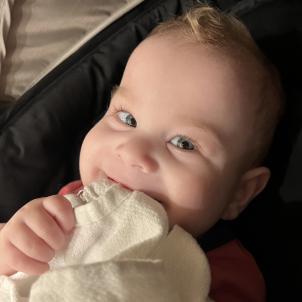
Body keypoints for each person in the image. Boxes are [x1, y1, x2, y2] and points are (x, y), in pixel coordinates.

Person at [0, 5, 283, 301]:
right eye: (127, 119)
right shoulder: (69, 205)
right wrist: (10, 245)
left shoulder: (225, 271)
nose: (134, 152)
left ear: (240, 192)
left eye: (183, 143)